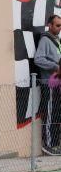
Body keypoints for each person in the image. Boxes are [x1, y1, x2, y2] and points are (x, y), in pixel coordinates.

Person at [35, 15, 61, 150]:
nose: (59, 28)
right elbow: (38, 59)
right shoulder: (45, 40)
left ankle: (56, 144)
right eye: (57, 25)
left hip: (58, 84)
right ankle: (49, 145)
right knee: (50, 114)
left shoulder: (57, 40)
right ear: (49, 25)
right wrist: (56, 67)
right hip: (49, 84)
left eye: (60, 25)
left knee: (56, 113)